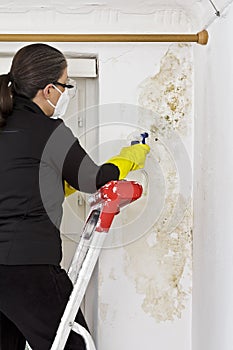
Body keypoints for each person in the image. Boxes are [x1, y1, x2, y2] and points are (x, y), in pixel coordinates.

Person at [0, 43, 150, 350]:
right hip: (27, 266)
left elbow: (17, 182)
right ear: (49, 90)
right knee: (74, 346)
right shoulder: (47, 130)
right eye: (67, 85)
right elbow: (95, 179)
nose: (68, 93)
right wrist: (131, 156)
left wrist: (55, 185)